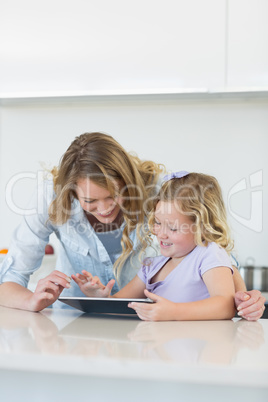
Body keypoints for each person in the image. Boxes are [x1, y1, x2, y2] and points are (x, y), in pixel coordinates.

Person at [0, 132, 265, 319]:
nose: (104, 209)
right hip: (76, 326)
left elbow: (216, 256)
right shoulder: (53, 197)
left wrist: (242, 297)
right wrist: (30, 300)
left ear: (128, 180)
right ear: (72, 194)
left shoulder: (164, 192)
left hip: (150, 329)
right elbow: (8, 281)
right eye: (90, 201)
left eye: (114, 195)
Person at [72, 171, 265, 321]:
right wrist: (100, 297)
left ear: (203, 228)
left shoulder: (209, 255)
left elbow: (225, 305)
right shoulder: (151, 266)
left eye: (173, 228)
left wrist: (173, 311)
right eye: (157, 222)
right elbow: (122, 304)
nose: (161, 233)